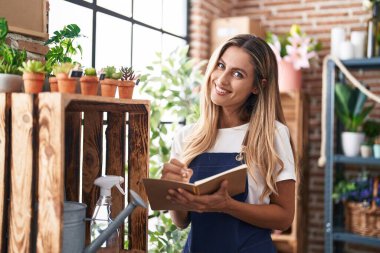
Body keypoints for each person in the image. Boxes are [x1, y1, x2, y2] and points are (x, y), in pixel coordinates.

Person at [161, 34, 297, 253]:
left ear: (257, 86)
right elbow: (181, 221)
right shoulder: (187, 137)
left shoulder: (271, 135)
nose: (221, 80)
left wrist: (228, 206)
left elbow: (284, 217)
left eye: (237, 74)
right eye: (221, 66)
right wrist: (173, 192)